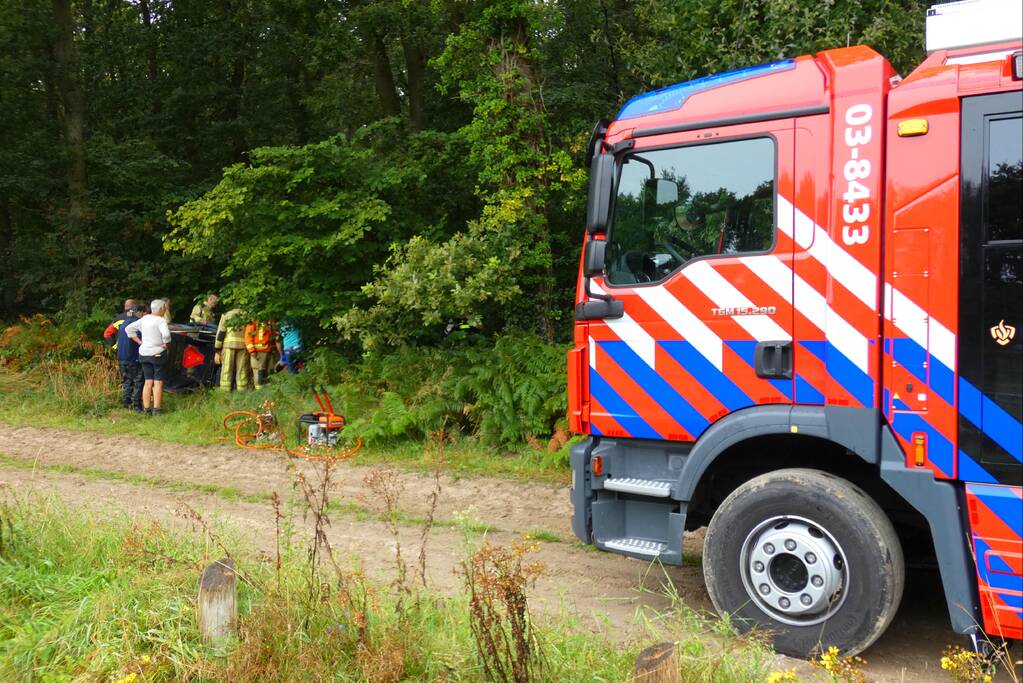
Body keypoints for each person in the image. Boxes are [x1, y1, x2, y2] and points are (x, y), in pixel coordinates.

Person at [123, 299, 172, 415]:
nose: (165, 310)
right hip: (157, 354)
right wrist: (167, 344)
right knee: (158, 382)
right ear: (160, 309)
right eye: (164, 308)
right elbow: (166, 334)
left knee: (148, 381)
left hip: (144, 354)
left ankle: (146, 409)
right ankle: (157, 409)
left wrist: (140, 342)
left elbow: (128, 329)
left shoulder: (144, 319)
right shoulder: (161, 320)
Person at [115, 305, 145, 411]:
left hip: (122, 357)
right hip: (133, 356)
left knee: (127, 380)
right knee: (138, 380)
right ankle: (137, 405)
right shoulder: (138, 324)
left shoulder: (123, 323)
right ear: (140, 312)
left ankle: (126, 403)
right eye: (144, 313)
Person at [215, 308, 252, 391]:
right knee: (242, 369)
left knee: (227, 369)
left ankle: (224, 391)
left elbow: (221, 331)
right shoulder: (247, 315)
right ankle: (242, 390)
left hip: (228, 346)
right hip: (243, 346)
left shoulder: (226, 315)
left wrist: (217, 347)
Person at [244, 320, 281, 386]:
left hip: (269, 351)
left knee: (269, 372)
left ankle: (268, 391)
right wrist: (252, 351)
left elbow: (276, 334)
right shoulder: (253, 322)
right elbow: (248, 337)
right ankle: (259, 392)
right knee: (259, 373)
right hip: (258, 352)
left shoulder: (270, 321)